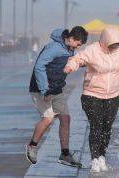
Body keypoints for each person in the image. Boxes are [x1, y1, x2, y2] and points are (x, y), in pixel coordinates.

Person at [64, 27, 119, 173]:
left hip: (113, 96)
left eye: (117, 44)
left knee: (107, 127)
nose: (115, 47)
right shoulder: (93, 50)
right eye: (112, 44)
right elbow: (78, 59)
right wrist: (70, 66)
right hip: (92, 95)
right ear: (105, 41)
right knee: (96, 126)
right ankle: (95, 159)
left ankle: (102, 156)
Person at [26, 26, 88, 167]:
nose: (78, 47)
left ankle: (65, 155)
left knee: (65, 118)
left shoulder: (69, 49)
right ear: (71, 38)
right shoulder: (54, 47)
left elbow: (70, 63)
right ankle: (32, 146)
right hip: (41, 89)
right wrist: (44, 90)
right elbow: (39, 66)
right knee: (48, 119)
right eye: (78, 44)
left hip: (56, 89)